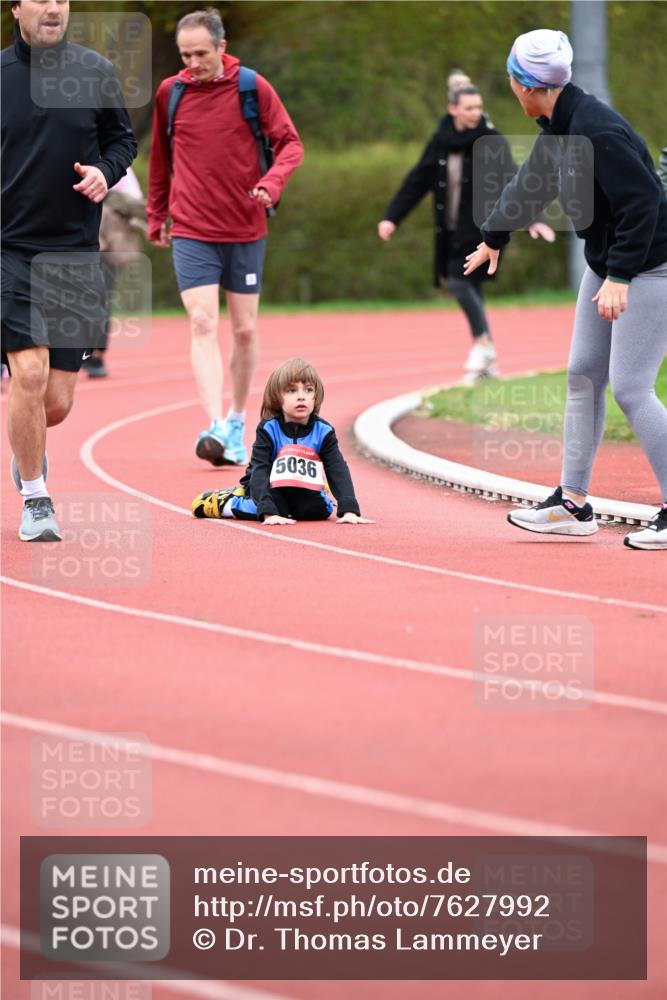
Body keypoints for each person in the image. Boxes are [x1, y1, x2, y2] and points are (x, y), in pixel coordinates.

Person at [464, 28, 667, 550]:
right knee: (582, 376)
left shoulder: (595, 130)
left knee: (631, 387)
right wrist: (493, 237)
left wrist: (620, 275)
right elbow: (532, 184)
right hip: (610, 263)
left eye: (511, 78)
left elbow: (643, 202)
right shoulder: (560, 126)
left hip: (652, 266)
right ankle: (572, 504)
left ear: (526, 84)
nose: (511, 86)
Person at [1, 0, 137, 541]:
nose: (53, 7)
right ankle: (36, 498)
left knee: (54, 404)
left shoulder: (94, 71)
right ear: (17, 8)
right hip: (9, 250)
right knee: (28, 375)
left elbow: (122, 140)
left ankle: (27, 450)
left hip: (75, 254)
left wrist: (105, 171)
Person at [147, 7, 304, 468]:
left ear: (221, 47)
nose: (192, 63)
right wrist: (157, 214)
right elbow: (160, 159)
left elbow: (291, 144)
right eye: (185, 55)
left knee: (244, 330)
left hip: (244, 227)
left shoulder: (251, 87)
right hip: (191, 227)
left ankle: (236, 420)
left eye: (200, 54)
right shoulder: (170, 93)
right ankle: (214, 423)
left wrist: (272, 183)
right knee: (201, 321)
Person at [378, 70, 554, 381]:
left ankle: (482, 344)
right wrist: (393, 216)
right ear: (453, 110)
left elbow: (514, 180)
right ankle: (488, 363)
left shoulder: (491, 141)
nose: (475, 113)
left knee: (459, 282)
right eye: (469, 108)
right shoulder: (440, 142)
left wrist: (532, 219)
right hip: (448, 231)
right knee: (469, 286)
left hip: (481, 231)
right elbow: (418, 180)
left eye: (478, 107)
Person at [191, 358, 373, 525]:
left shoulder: (323, 431)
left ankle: (310, 493)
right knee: (271, 507)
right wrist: (267, 512)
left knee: (320, 510)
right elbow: (260, 469)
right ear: (277, 398)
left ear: (316, 396)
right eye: (292, 390)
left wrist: (349, 509)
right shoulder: (269, 429)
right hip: (267, 486)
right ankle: (229, 501)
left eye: (308, 390)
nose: (301, 396)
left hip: (302, 487)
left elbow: (337, 467)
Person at [83, 166, 146, 379]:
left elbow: (135, 201)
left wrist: (108, 195)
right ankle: (81, 351)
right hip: (79, 243)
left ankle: (97, 356)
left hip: (109, 248)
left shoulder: (119, 164)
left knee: (102, 300)